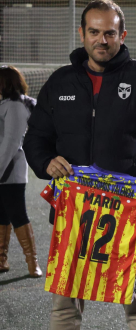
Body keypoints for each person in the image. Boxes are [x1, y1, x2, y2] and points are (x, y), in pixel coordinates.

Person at [22, 1, 136, 329]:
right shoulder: (60, 83)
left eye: (109, 33)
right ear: (81, 34)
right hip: (74, 213)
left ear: (122, 35)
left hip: (132, 214)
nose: (102, 40)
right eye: (94, 32)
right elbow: (35, 139)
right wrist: (45, 161)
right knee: (65, 308)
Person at [0, 65, 42, 278]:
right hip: (4, 170)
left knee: (17, 214)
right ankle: (1, 259)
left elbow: (11, 144)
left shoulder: (15, 106)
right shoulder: (7, 104)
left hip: (10, 172)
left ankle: (32, 262)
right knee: (2, 214)